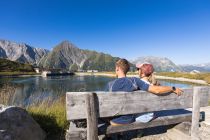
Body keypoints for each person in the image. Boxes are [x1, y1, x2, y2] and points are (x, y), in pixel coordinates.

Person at [107, 58, 183, 126]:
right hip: (130, 119)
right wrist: (172, 88)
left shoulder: (110, 85)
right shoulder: (134, 81)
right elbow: (156, 90)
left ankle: (110, 136)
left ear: (117, 68)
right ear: (127, 70)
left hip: (117, 120)